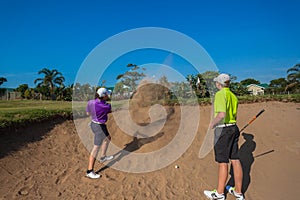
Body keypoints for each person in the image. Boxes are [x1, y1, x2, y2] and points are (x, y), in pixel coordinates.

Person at [204, 74, 245, 200]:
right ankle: (238, 192)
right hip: (233, 128)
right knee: (235, 159)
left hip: (223, 130)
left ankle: (219, 194)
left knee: (223, 162)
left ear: (219, 84)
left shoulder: (220, 94)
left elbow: (221, 114)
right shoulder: (233, 96)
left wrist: (212, 124)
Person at [85, 87, 114, 179]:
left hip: (94, 123)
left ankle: (103, 156)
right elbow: (110, 111)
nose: (108, 96)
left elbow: (88, 113)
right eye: (107, 94)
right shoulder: (107, 106)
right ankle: (90, 171)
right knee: (96, 148)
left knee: (108, 138)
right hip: (99, 127)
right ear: (104, 96)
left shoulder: (90, 102)